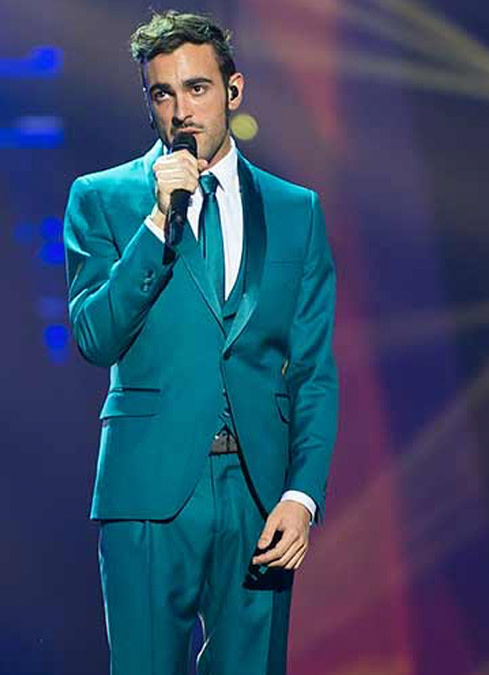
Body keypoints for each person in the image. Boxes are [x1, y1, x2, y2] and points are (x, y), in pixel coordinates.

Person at [63, 10, 338, 675]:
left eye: (197, 88)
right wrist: (158, 224)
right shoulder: (103, 198)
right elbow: (95, 336)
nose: (181, 110)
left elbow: (314, 372)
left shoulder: (295, 210)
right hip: (148, 488)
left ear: (232, 91)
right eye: (162, 93)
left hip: (257, 492)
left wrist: (301, 496)